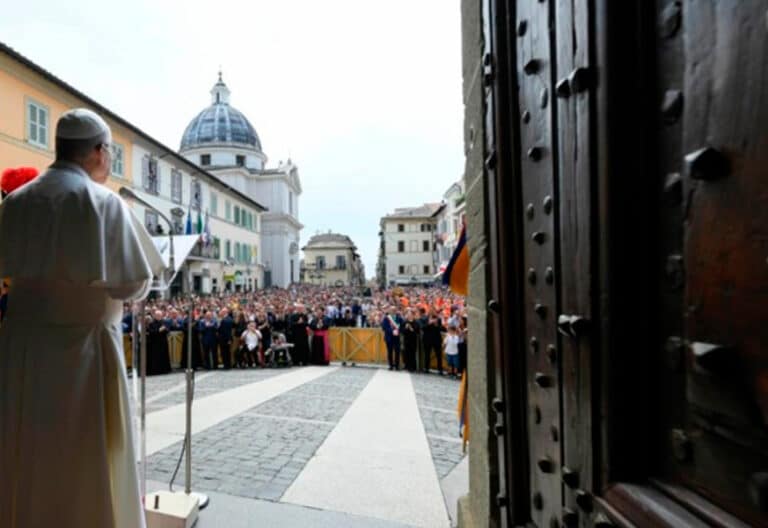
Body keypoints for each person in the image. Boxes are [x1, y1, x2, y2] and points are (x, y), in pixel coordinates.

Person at [0, 108, 164, 527]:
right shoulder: (104, 202)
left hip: (22, 353)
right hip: (85, 357)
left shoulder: (16, 201)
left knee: (27, 454)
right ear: (98, 152)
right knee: (86, 463)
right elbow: (130, 285)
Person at [146, 309, 172, 375]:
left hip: (163, 342)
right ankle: (156, 371)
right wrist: (159, 330)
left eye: (160, 315)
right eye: (157, 315)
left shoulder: (164, 322)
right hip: (155, 343)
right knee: (156, 357)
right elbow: (151, 332)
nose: (159, 316)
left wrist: (165, 329)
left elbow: (168, 330)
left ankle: (164, 370)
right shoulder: (151, 323)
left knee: (163, 357)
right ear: (155, 316)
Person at [382, 306, 403, 371]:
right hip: (389, 337)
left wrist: (398, 331)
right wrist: (392, 331)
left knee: (397, 352)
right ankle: (391, 365)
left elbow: (402, 326)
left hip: (397, 337)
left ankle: (397, 366)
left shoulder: (399, 318)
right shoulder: (386, 318)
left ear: (396, 310)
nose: (393, 311)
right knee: (390, 352)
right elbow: (384, 327)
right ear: (389, 311)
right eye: (392, 310)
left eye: (394, 310)